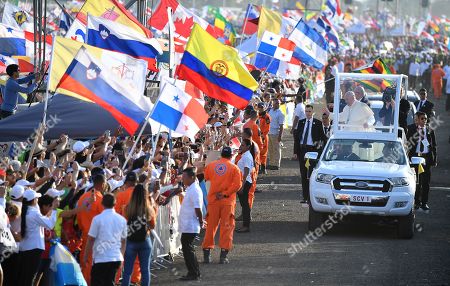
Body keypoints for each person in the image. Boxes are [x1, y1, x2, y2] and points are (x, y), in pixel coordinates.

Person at [202, 147, 242, 264]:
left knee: (210, 227)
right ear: (230, 156)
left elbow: (205, 177)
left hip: (213, 201)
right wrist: (225, 193)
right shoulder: (234, 168)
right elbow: (237, 185)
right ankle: (223, 256)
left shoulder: (211, 165)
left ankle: (206, 253)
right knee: (227, 227)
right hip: (227, 202)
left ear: (221, 155)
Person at [84, 193, 127, 286]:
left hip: (101, 258)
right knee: (110, 282)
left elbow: (90, 239)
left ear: (102, 204)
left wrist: (85, 256)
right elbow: (124, 241)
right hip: (116, 258)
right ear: (115, 204)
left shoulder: (97, 219)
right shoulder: (122, 220)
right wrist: (122, 256)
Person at [18, 189, 58, 286]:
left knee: (24, 277)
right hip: (34, 249)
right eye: (36, 198)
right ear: (33, 200)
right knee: (30, 278)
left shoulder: (24, 210)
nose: (37, 200)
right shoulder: (34, 213)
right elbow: (50, 224)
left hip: (24, 248)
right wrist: (54, 209)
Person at [121, 184, 156, 286]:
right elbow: (153, 225)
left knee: (127, 271)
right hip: (145, 241)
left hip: (130, 241)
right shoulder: (149, 209)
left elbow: (124, 224)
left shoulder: (127, 208)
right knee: (145, 270)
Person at [406, 111, 437, 212]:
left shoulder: (429, 129)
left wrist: (434, 159)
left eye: (426, 119)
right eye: (422, 118)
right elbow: (406, 144)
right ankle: (416, 202)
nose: (424, 120)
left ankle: (424, 203)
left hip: (426, 159)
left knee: (426, 182)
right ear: (417, 119)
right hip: (415, 158)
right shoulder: (410, 128)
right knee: (416, 181)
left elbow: (433, 145)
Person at [77, 174, 105, 285]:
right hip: (96, 237)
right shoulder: (100, 199)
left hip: (85, 233)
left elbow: (78, 215)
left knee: (85, 262)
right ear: (103, 184)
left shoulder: (83, 197)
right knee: (92, 263)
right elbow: (104, 218)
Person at [296, 105, 327, 203]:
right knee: (304, 174)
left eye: (309, 111)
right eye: (306, 111)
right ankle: (305, 197)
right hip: (303, 150)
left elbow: (323, 139)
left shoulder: (318, 123)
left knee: (311, 175)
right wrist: (295, 152)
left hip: (313, 151)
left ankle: (311, 198)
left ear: (312, 112)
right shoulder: (301, 123)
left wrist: (320, 151)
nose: (307, 113)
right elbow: (297, 138)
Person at [178, 167, 204, 281]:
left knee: (188, 249)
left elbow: (198, 208)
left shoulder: (195, 190)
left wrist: (201, 221)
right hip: (189, 224)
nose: (183, 179)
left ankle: (193, 273)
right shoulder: (191, 188)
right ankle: (194, 272)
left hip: (191, 225)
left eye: (185, 177)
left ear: (192, 177)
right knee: (188, 249)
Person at [236, 139, 255, 233]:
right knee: (244, 204)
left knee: (245, 204)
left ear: (248, 146)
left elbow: (246, 171)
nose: (241, 146)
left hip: (245, 182)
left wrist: (242, 186)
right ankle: (245, 225)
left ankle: (246, 225)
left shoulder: (247, 156)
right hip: (245, 181)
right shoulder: (245, 155)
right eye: (241, 145)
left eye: (243, 145)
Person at [267, 99, 285, 170]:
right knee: (270, 149)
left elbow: (281, 126)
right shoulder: (270, 111)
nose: (276, 105)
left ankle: (277, 164)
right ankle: (271, 163)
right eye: (275, 103)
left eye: (277, 103)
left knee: (276, 149)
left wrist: (280, 136)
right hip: (269, 132)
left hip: (275, 133)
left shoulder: (280, 113)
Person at [257, 102, 271, 174]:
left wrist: (263, 135)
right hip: (257, 136)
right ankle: (258, 167)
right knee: (257, 152)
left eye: (262, 107)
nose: (261, 109)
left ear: (264, 108)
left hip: (264, 136)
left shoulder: (267, 117)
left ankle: (263, 167)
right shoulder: (256, 116)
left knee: (264, 153)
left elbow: (267, 128)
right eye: (260, 107)